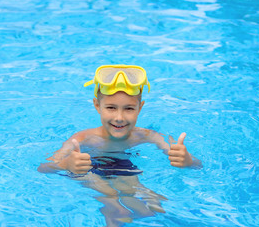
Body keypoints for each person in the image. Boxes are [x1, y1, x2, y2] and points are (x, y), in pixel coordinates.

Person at [38, 65, 202, 226]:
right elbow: (44, 167)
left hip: (122, 165)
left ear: (140, 108)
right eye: (111, 107)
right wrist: (66, 164)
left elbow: (193, 163)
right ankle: (112, 207)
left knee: (152, 204)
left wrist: (187, 160)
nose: (119, 117)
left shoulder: (146, 135)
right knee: (106, 192)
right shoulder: (84, 138)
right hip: (87, 166)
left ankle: (130, 214)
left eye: (129, 108)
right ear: (97, 106)